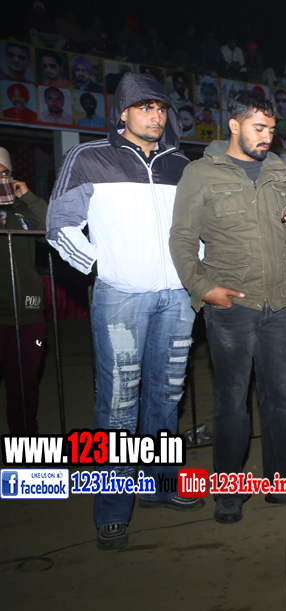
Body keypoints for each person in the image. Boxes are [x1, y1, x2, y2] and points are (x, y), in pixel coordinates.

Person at [46, 74, 202, 550]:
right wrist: (103, 266)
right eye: (145, 107)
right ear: (122, 112)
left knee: (167, 397)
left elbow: (198, 228)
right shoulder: (88, 157)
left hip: (178, 297)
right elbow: (60, 224)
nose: (155, 116)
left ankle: (160, 484)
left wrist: (196, 270)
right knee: (117, 406)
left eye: (161, 108)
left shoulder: (182, 165)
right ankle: (112, 511)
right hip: (121, 298)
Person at [169, 89, 286, 524]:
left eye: (271, 129)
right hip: (232, 302)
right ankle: (228, 492)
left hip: (280, 300)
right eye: (259, 127)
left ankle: (280, 482)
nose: (267, 136)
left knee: (279, 399)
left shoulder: (278, 170)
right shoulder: (200, 173)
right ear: (234, 125)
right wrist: (203, 288)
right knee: (232, 401)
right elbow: (181, 238)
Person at [1, 146, 48, 436]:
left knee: (24, 386)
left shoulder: (22, 211)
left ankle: (25, 442)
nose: (0, 179)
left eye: (4, 173)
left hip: (28, 315)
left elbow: (52, 230)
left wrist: (29, 197)